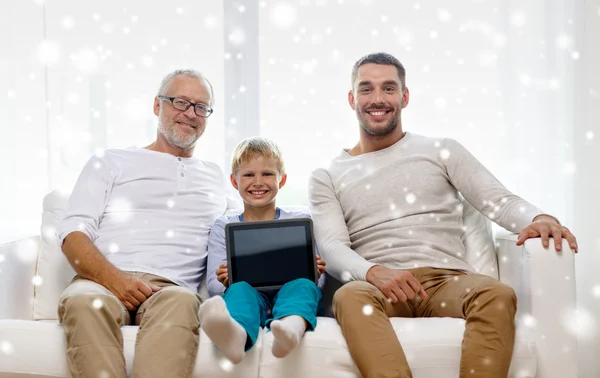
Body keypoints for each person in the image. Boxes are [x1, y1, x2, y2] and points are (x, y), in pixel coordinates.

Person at [308, 52, 578, 378]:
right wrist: (376, 273)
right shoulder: (328, 175)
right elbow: (334, 249)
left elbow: (498, 200)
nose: (377, 99)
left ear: (404, 97)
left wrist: (538, 219)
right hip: (379, 287)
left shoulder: (441, 150)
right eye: (366, 89)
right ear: (352, 98)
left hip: (447, 282)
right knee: (349, 297)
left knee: (497, 293)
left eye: (389, 88)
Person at [57, 69, 235, 378]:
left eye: (201, 107)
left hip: (172, 290)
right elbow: (72, 235)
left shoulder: (217, 177)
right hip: (102, 281)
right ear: (157, 106)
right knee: (84, 303)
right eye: (180, 102)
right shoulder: (110, 161)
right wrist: (116, 281)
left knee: (181, 302)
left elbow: (242, 228)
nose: (190, 113)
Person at [200, 136, 326, 364]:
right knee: (239, 290)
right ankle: (235, 337)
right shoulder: (223, 226)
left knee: (303, 285)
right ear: (234, 181)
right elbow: (213, 284)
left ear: (282, 179)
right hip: (249, 294)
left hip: (290, 291)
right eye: (248, 175)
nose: (258, 182)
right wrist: (225, 279)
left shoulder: (301, 220)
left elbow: (319, 283)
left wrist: (316, 272)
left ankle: (290, 327)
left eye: (267, 174)